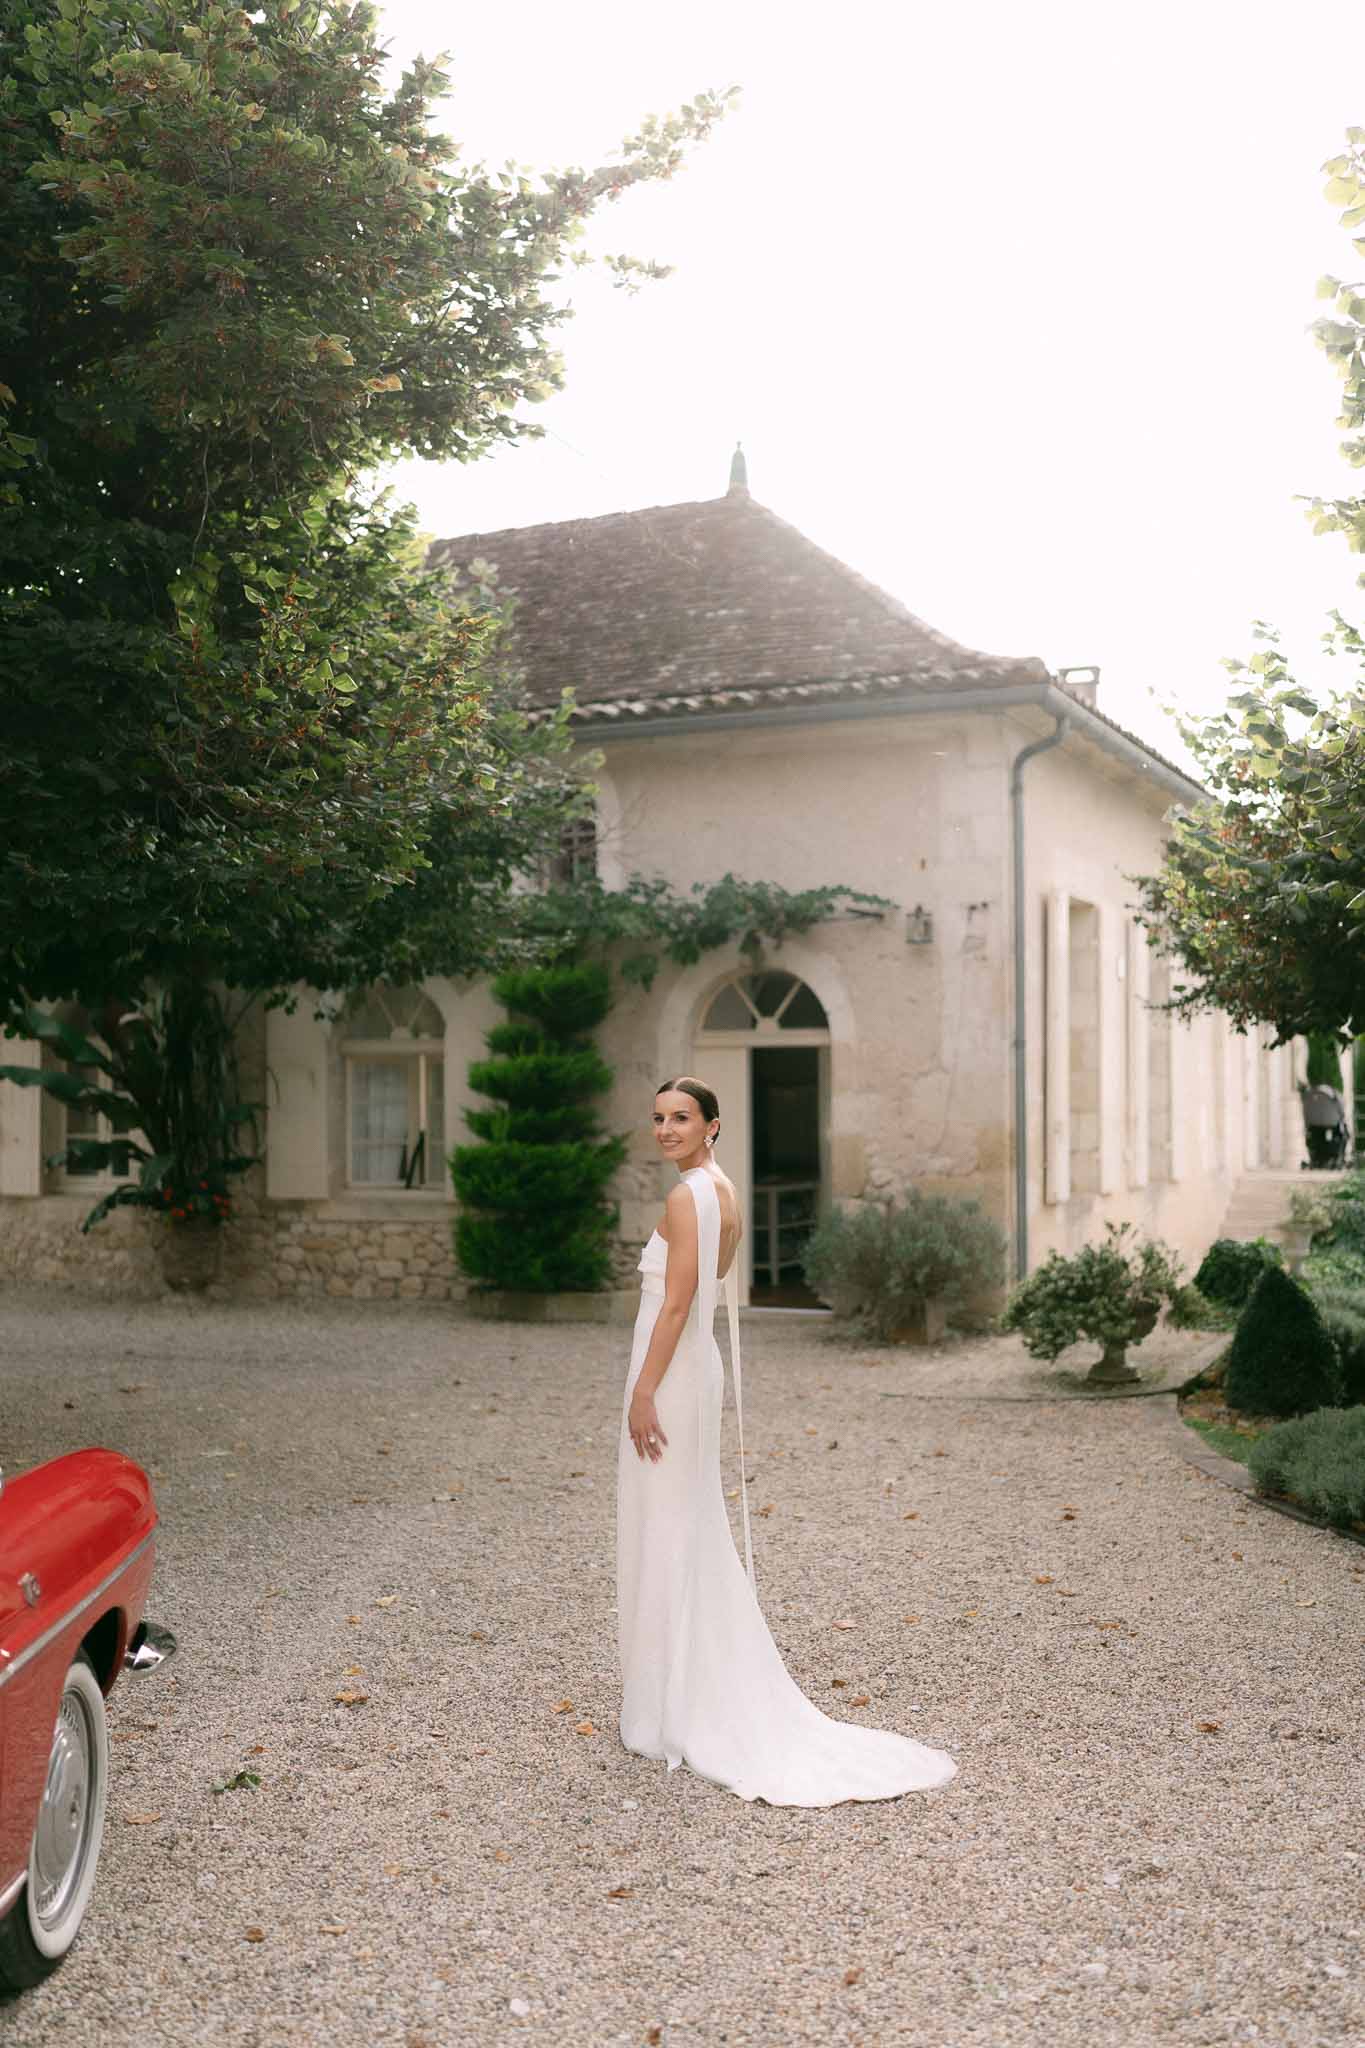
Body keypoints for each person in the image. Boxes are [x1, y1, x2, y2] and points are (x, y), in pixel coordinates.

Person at [615, 1074, 959, 1806]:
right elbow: (717, 1279)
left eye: (681, 1118)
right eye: (657, 1118)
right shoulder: (726, 1194)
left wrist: (643, 1389)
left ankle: (673, 1704)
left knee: (669, 1522)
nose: (666, 1129)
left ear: (712, 1124)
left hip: (669, 1372)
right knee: (686, 1519)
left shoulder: (685, 1198)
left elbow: (677, 1302)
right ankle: (682, 1687)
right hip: (692, 1369)